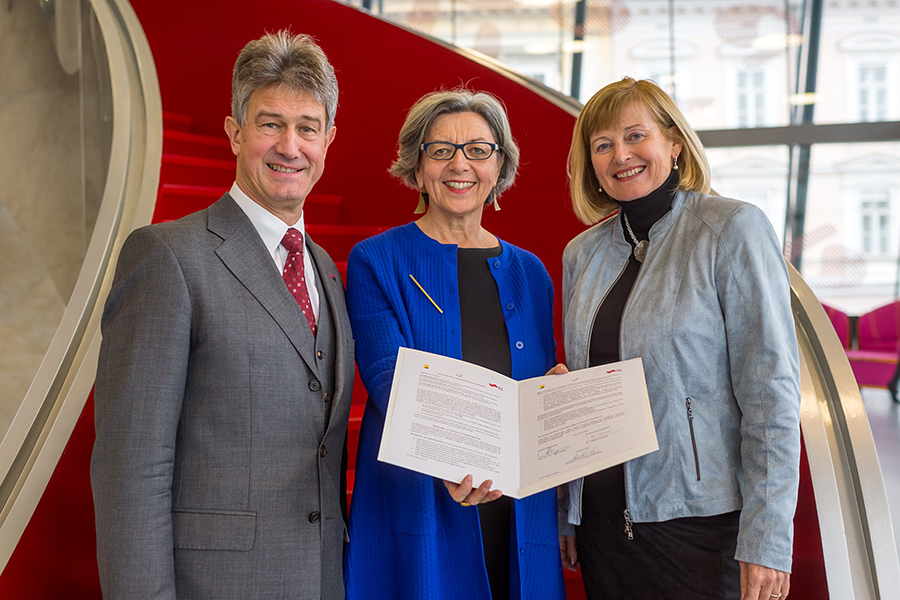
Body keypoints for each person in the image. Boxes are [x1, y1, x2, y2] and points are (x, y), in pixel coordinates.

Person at [91, 31, 354, 600]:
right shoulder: (167, 257)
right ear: (234, 132)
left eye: (307, 127)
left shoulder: (327, 269)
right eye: (269, 124)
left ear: (328, 140)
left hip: (321, 580)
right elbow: (131, 466)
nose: (290, 145)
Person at [557, 77, 801, 600]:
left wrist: (767, 538)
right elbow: (584, 391)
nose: (619, 155)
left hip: (701, 524)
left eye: (634, 136)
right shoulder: (582, 254)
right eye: (602, 145)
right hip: (604, 527)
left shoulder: (732, 229)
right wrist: (568, 512)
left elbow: (771, 394)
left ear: (674, 142)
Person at [343, 89, 565, 600]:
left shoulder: (531, 272)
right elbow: (386, 379)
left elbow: (532, 389)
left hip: (517, 510)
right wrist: (452, 462)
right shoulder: (376, 259)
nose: (459, 164)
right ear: (417, 169)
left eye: (478, 150)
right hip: (423, 498)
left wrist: (552, 398)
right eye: (440, 150)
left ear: (499, 167)